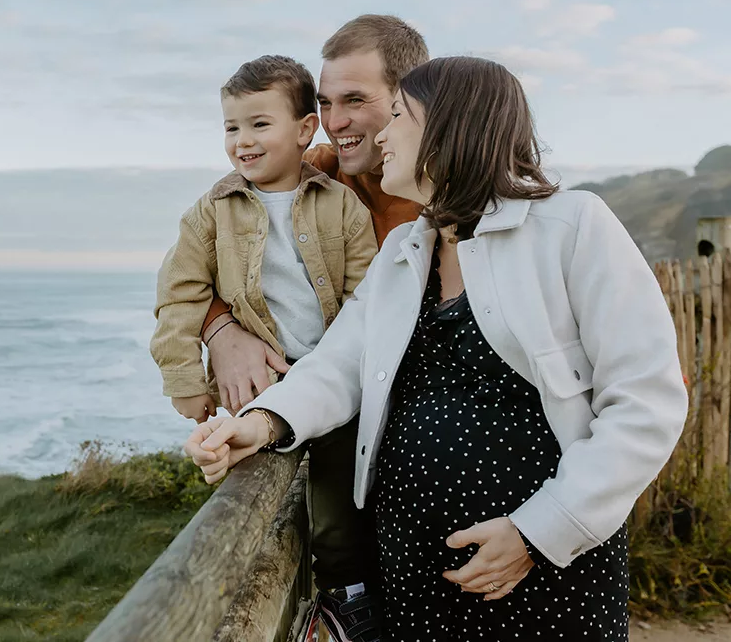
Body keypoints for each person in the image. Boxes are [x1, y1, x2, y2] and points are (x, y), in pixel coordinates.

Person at [185, 56, 688, 640]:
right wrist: (262, 421)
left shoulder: (572, 227)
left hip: (542, 572)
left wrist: (538, 533)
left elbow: (647, 402)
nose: (380, 133)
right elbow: (341, 363)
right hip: (412, 579)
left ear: (449, 128)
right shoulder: (405, 249)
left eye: (396, 115)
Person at [198, 16, 429, 642]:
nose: (334, 121)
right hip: (342, 415)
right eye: (325, 103)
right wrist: (222, 331)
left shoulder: (445, 194)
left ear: (414, 100)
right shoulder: (321, 173)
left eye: (356, 100)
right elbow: (221, 252)